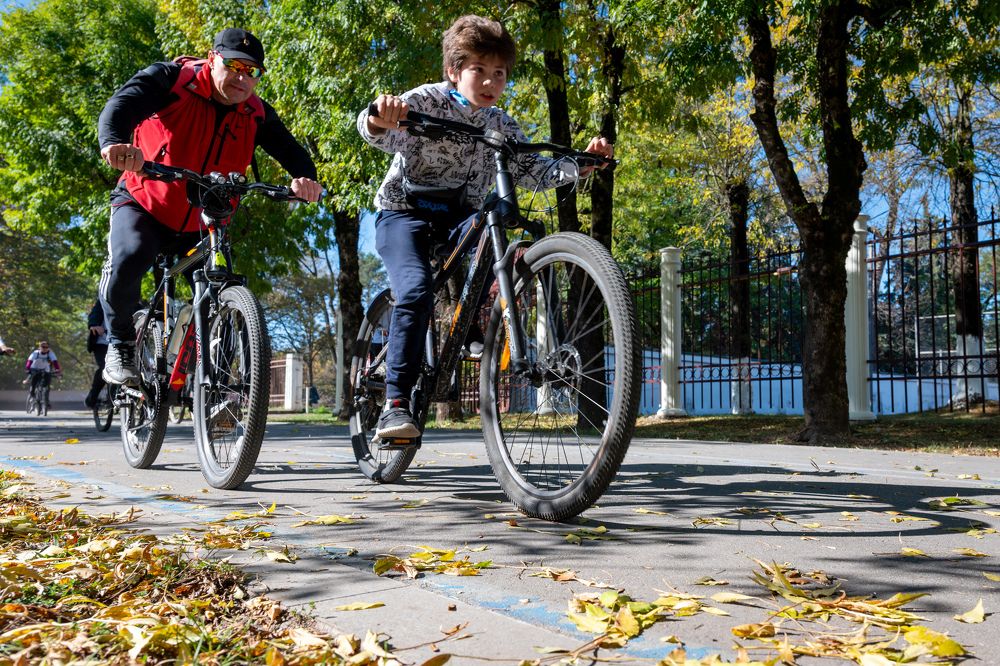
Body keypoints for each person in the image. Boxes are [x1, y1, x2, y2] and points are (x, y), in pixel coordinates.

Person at [356, 14, 613, 439]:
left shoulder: (501, 125)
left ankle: (478, 317)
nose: (491, 82)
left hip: (460, 219)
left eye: (499, 73)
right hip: (404, 214)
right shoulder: (426, 101)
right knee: (416, 291)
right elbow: (377, 130)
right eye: (479, 70)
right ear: (455, 71)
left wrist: (582, 164)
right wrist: (380, 116)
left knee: (491, 219)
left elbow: (537, 170)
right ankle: (395, 405)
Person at [97, 28, 323, 386]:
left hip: (204, 217)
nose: (242, 78)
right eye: (234, 65)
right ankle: (121, 342)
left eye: (252, 72)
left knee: (222, 294)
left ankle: (218, 388)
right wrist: (114, 144)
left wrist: (305, 179)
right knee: (131, 256)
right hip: (145, 201)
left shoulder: (255, 112)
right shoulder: (172, 80)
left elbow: (292, 152)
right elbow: (120, 106)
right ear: (212, 57)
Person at [84, 300, 109, 408]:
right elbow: (95, 313)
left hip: (120, 343)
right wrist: (93, 324)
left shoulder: (130, 300)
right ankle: (92, 397)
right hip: (101, 343)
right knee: (105, 367)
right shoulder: (104, 299)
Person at [24, 341, 61, 408]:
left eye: (46, 347)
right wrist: (27, 368)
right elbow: (30, 361)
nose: (45, 348)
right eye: (43, 347)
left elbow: (55, 362)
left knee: (47, 385)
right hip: (35, 368)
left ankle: (46, 400)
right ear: (39, 347)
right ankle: (32, 396)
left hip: (45, 369)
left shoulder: (50, 353)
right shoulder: (36, 353)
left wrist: (57, 370)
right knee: (33, 384)